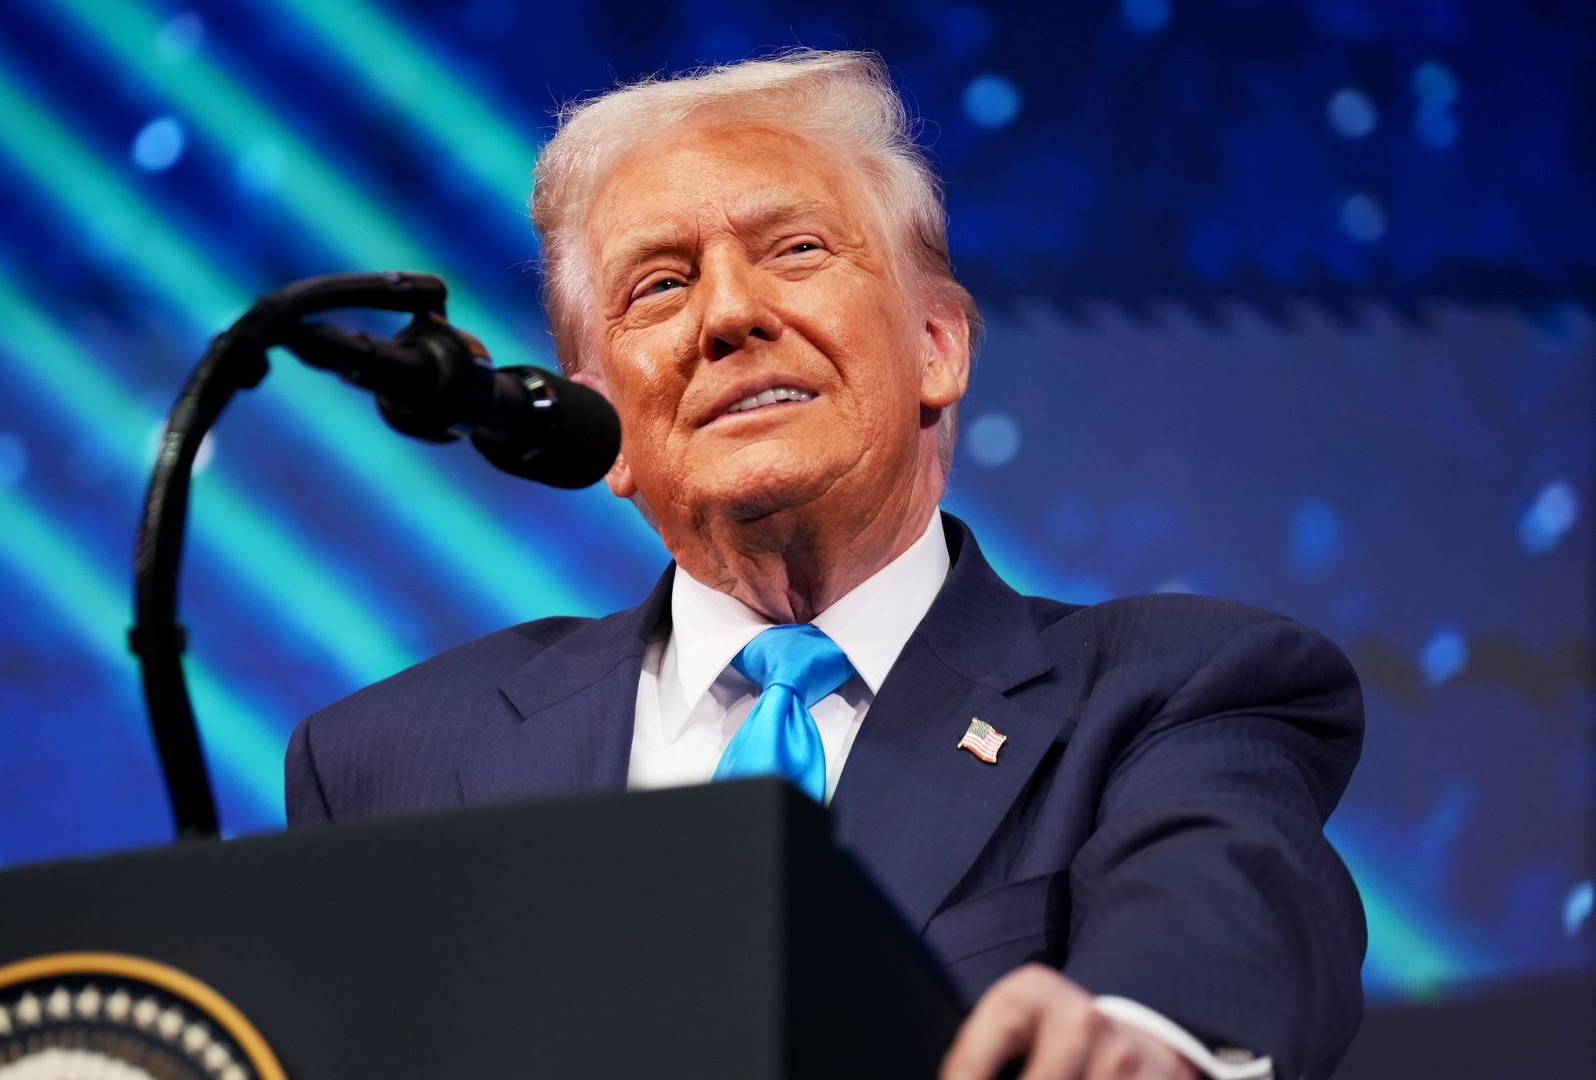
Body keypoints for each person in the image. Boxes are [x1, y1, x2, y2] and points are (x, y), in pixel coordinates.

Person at [286, 50, 1365, 1080]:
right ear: (598, 415)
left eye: (796, 250)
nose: (728, 314)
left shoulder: (1168, 691)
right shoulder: (389, 764)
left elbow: (1227, 898)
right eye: (658, 287)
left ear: (937, 347)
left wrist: (1142, 1038)